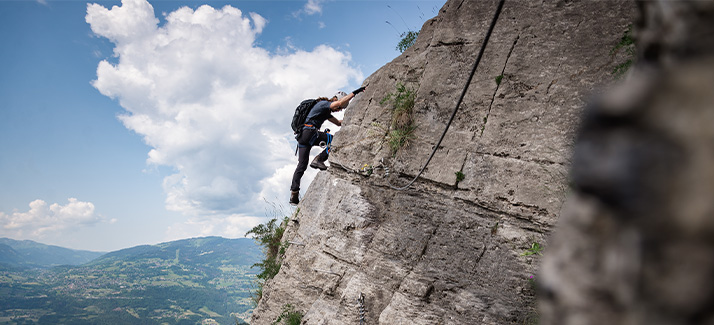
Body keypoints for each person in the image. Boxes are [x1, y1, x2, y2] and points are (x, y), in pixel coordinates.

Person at [290, 86, 367, 205]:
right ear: (336, 100)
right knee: (336, 140)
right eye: (340, 108)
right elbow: (340, 102)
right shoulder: (324, 104)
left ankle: (294, 194)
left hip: (303, 136)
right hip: (310, 133)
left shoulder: (325, 112)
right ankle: (319, 159)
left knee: (301, 165)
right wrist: (355, 92)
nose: (339, 109)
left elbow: (338, 123)